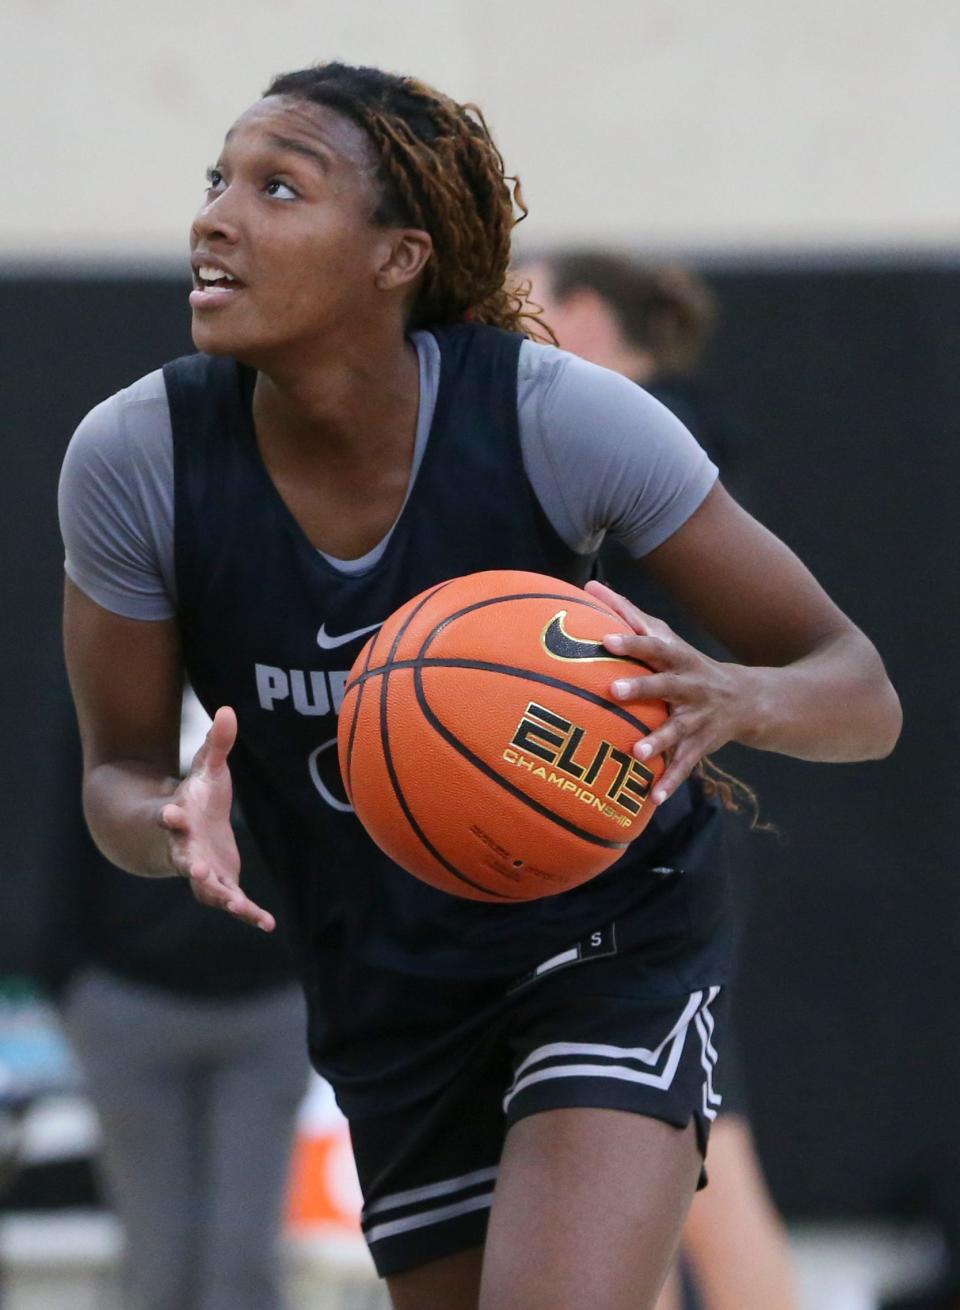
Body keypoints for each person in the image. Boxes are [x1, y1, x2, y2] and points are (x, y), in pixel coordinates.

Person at [58, 62, 901, 1310]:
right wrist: (169, 818)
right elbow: (116, 776)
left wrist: (735, 696)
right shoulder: (138, 457)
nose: (215, 216)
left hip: (608, 930)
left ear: (396, 256)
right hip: (386, 975)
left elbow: (859, 687)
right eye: (216, 180)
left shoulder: (556, 420)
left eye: (277, 186)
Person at [517, 251, 800, 1310]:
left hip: (647, 827)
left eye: (525, 298)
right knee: (642, 1168)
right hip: (596, 826)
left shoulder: (642, 440)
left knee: (705, 1160)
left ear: (583, 313)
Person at [38, 673, 309, 1310]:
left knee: (243, 1267)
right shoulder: (110, 664)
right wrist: (69, 980)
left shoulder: (276, 659)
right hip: (128, 999)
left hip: (267, 1003)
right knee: (158, 1267)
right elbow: (55, 812)